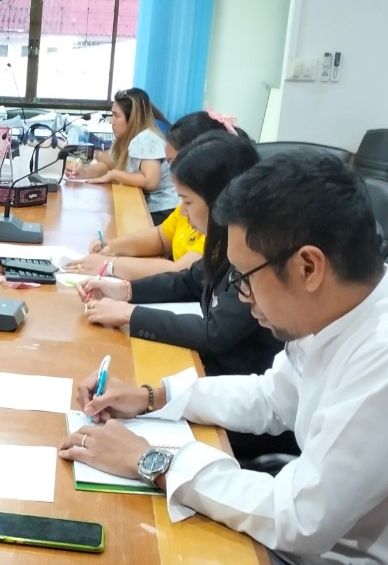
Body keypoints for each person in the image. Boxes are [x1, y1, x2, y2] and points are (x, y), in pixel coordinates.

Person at [60, 151, 388, 565]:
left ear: (308, 267)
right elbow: (271, 397)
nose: (241, 296)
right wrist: (154, 396)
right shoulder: (344, 313)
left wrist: (151, 460)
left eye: (245, 278)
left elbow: (300, 518)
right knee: (134, 561)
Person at [74, 133, 281, 382]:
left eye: (187, 201)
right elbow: (189, 280)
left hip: (234, 382)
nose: (182, 212)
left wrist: (130, 314)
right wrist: (125, 291)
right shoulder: (222, 240)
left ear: (219, 199)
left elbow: (215, 333)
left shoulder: (254, 251)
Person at [63, 110, 247, 278]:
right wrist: (113, 246)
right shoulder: (189, 205)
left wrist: (110, 265)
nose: (171, 173)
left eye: (174, 163)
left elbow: (180, 272)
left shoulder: (217, 223)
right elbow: (160, 237)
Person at [65, 87, 178, 225]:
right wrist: (84, 172)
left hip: (165, 210)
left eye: (116, 116)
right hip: (147, 204)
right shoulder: (124, 139)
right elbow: (108, 164)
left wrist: (115, 175)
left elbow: (150, 181)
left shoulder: (147, 138)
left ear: (132, 119)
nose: (111, 121)